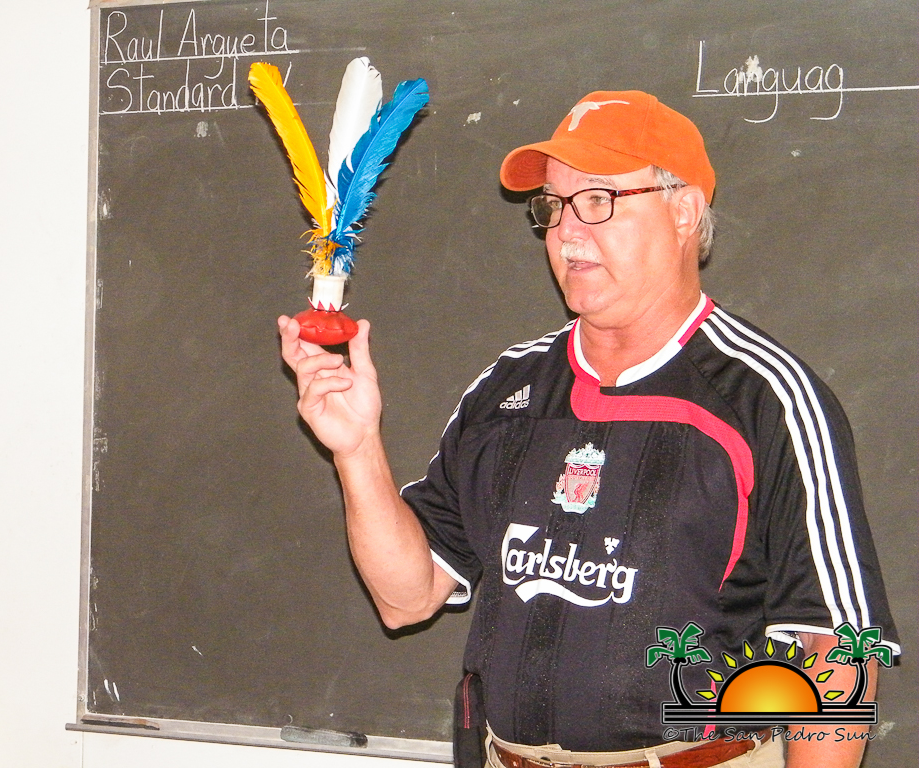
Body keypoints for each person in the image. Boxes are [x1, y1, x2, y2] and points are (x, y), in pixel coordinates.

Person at [278, 90, 898, 768]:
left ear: (683, 212)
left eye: (598, 200)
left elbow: (837, 649)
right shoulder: (508, 390)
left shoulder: (768, 400)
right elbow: (406, 597)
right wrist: (357, 448)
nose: (567, 232)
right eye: (553, 206)